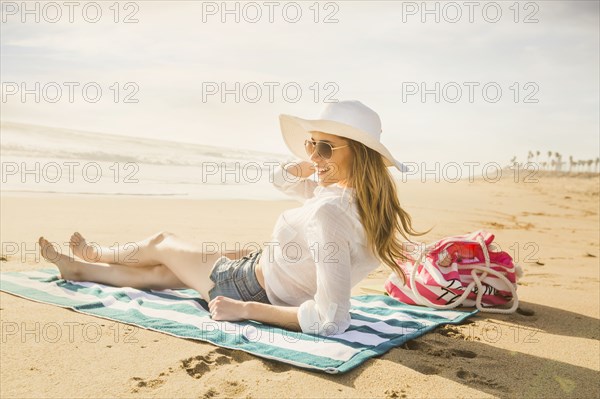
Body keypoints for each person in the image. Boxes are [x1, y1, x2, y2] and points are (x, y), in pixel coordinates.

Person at [38, 100, 430, 337]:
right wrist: (312, 163)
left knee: (161, 242)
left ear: (358, 154)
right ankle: (82, 270)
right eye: (311, 144)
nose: (313, 156)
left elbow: (332, 320)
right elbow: (281, 180)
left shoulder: (330, 209)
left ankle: (100, 254)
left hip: (246, 287)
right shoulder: (361, 202)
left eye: (324, 147)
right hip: (262, 272)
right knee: (160, 275)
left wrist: (246, 311)